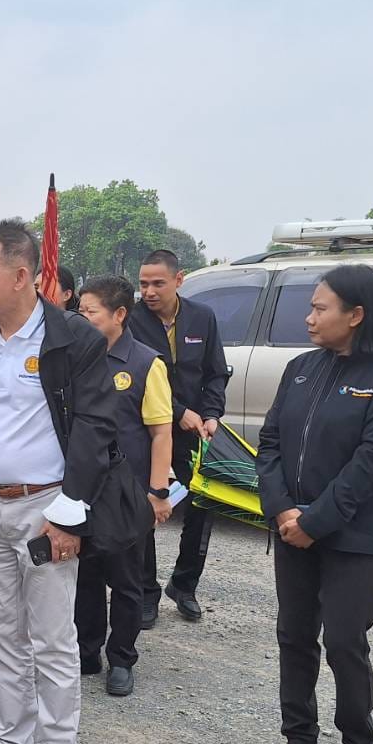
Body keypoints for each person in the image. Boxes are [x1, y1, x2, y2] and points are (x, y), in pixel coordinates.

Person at [0, 219, 145, 744]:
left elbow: (95, 427)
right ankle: (13, 742)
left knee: (52, 639)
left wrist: (67, 515)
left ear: (22, 275)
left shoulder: (73, 340)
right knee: (1, 631)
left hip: (46, 509)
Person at [254, 264, 373, 744]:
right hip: (291, 530)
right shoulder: (301, 369)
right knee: (293, 635)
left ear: (356, 315)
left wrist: (316, 521)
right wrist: (282, 511)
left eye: (320, 308)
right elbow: (272, 443)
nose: (309, 317)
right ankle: (299, 739)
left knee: (346, 641)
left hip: (351, 536)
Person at [72, 276, 173, 697]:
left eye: (89, 312)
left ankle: (122, 657)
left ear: (118, 314)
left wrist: (157, 492)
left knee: (127, 580)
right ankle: (88, 648)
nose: (83, 318)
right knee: (86, 575)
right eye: (80, 312)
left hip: (129, 493)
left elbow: (161, 432)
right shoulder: (76, 358)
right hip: (84, 487)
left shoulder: (146, 363)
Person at [126, 248, 227, 625]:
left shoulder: (203, 317)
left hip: (196, 432)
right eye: (143, 284)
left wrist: (212, 413)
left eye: (157, 283)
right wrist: (178, 411)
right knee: (147, 508)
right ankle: (146, 592)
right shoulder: (132, 320)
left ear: (178, 280)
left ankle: (184, 586)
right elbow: (135, 378)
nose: (148, 291)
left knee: (202, 509)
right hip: (148, 432)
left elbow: (216, 372)